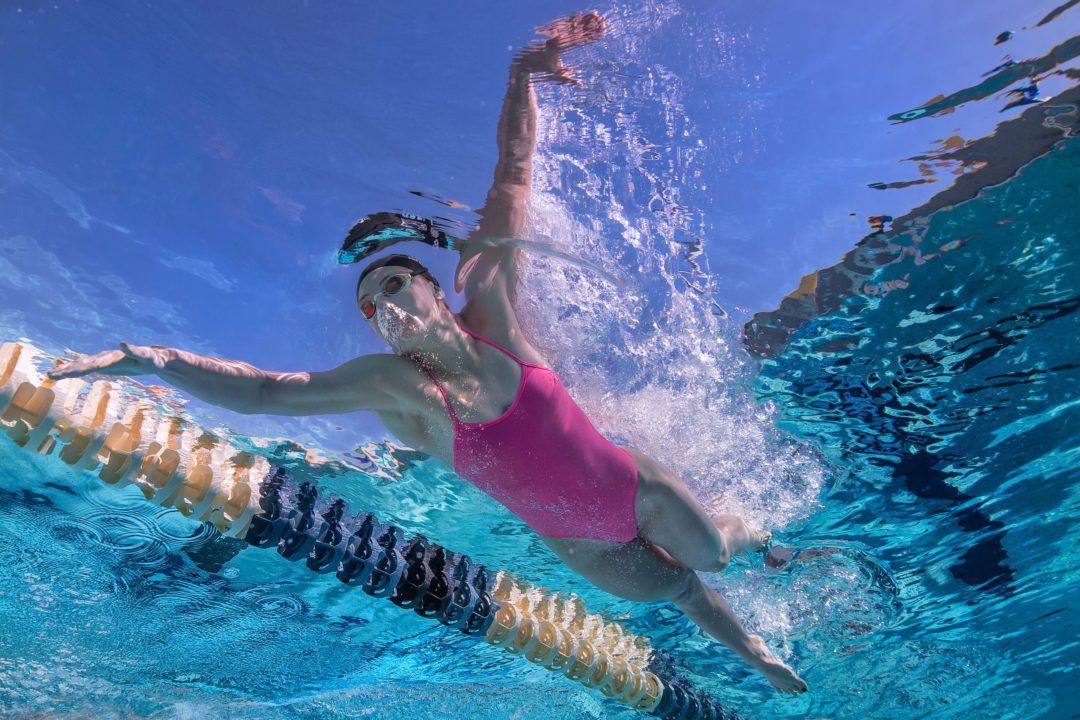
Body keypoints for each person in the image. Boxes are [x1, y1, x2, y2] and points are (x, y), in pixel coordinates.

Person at [48, 12, 807, 694]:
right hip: (586, 546)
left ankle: (752, 528)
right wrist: (154, 361)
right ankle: (757, 655)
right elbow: (269, 393)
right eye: (370, 306)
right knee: (681, 594)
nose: (383, 307)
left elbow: (513, 170)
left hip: (636, 490)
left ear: (435, 292)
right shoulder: (399, 387)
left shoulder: (496, 315)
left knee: (713, 554)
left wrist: (525, 70)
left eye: (393, 285)